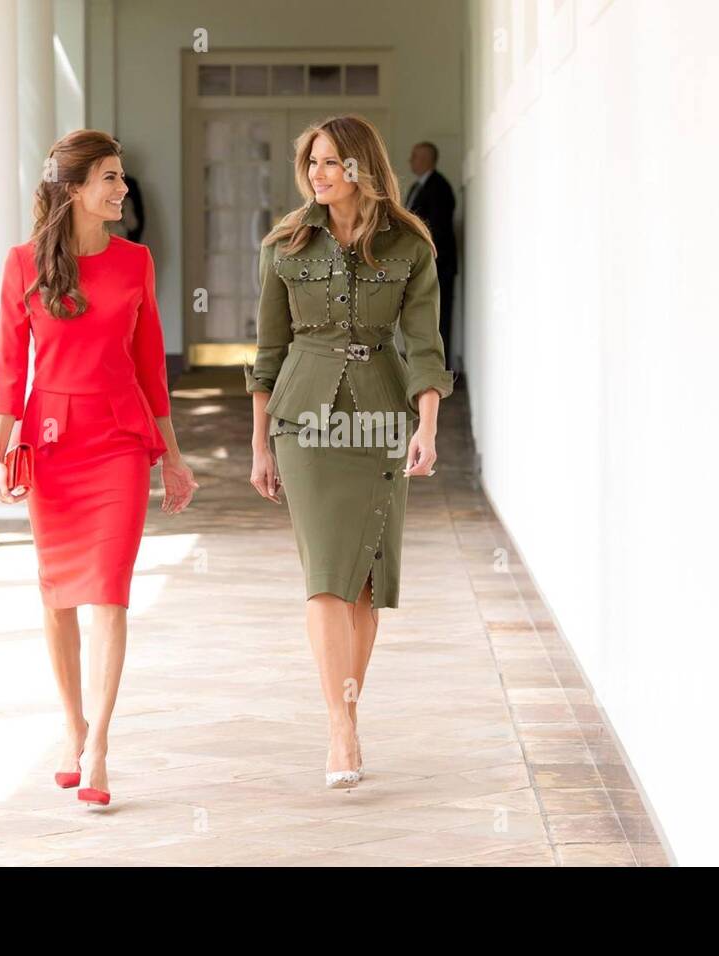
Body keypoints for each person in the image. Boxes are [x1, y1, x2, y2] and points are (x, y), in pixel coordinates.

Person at [245, 115, 455, 788]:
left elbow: (425, 346)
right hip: (303, 422)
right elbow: (267, 355)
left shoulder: (410, 245)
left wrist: (426, 427)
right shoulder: (284, 245)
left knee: (364, 582)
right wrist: (259, 445)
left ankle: (348, 717)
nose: (318, 173)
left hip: (383, 419)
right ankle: (339, 730)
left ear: (362, 166)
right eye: (312, 163)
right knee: (327, 577)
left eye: (332, 162)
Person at [0, 129, 198, 807]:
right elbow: (7, 363)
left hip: (116, 443)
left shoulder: (135, 261)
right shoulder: (24, 264)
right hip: (51, 444)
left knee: (108, 591)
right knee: (57, 599)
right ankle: (71, 726)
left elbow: (148, 366)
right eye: (110, 178)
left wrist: (172, 455)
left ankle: (101, 743)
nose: (122, 189)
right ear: (75, 190)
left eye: (121, 176)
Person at [405, 141, 458, 370]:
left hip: (438, 266)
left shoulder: (439, 188)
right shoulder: (417, 187)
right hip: (425, 265)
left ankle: (438, 373)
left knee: (439, 317)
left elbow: (436, 230)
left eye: (415, 156)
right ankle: (425, 369)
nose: (410, 161)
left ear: (427, 159)